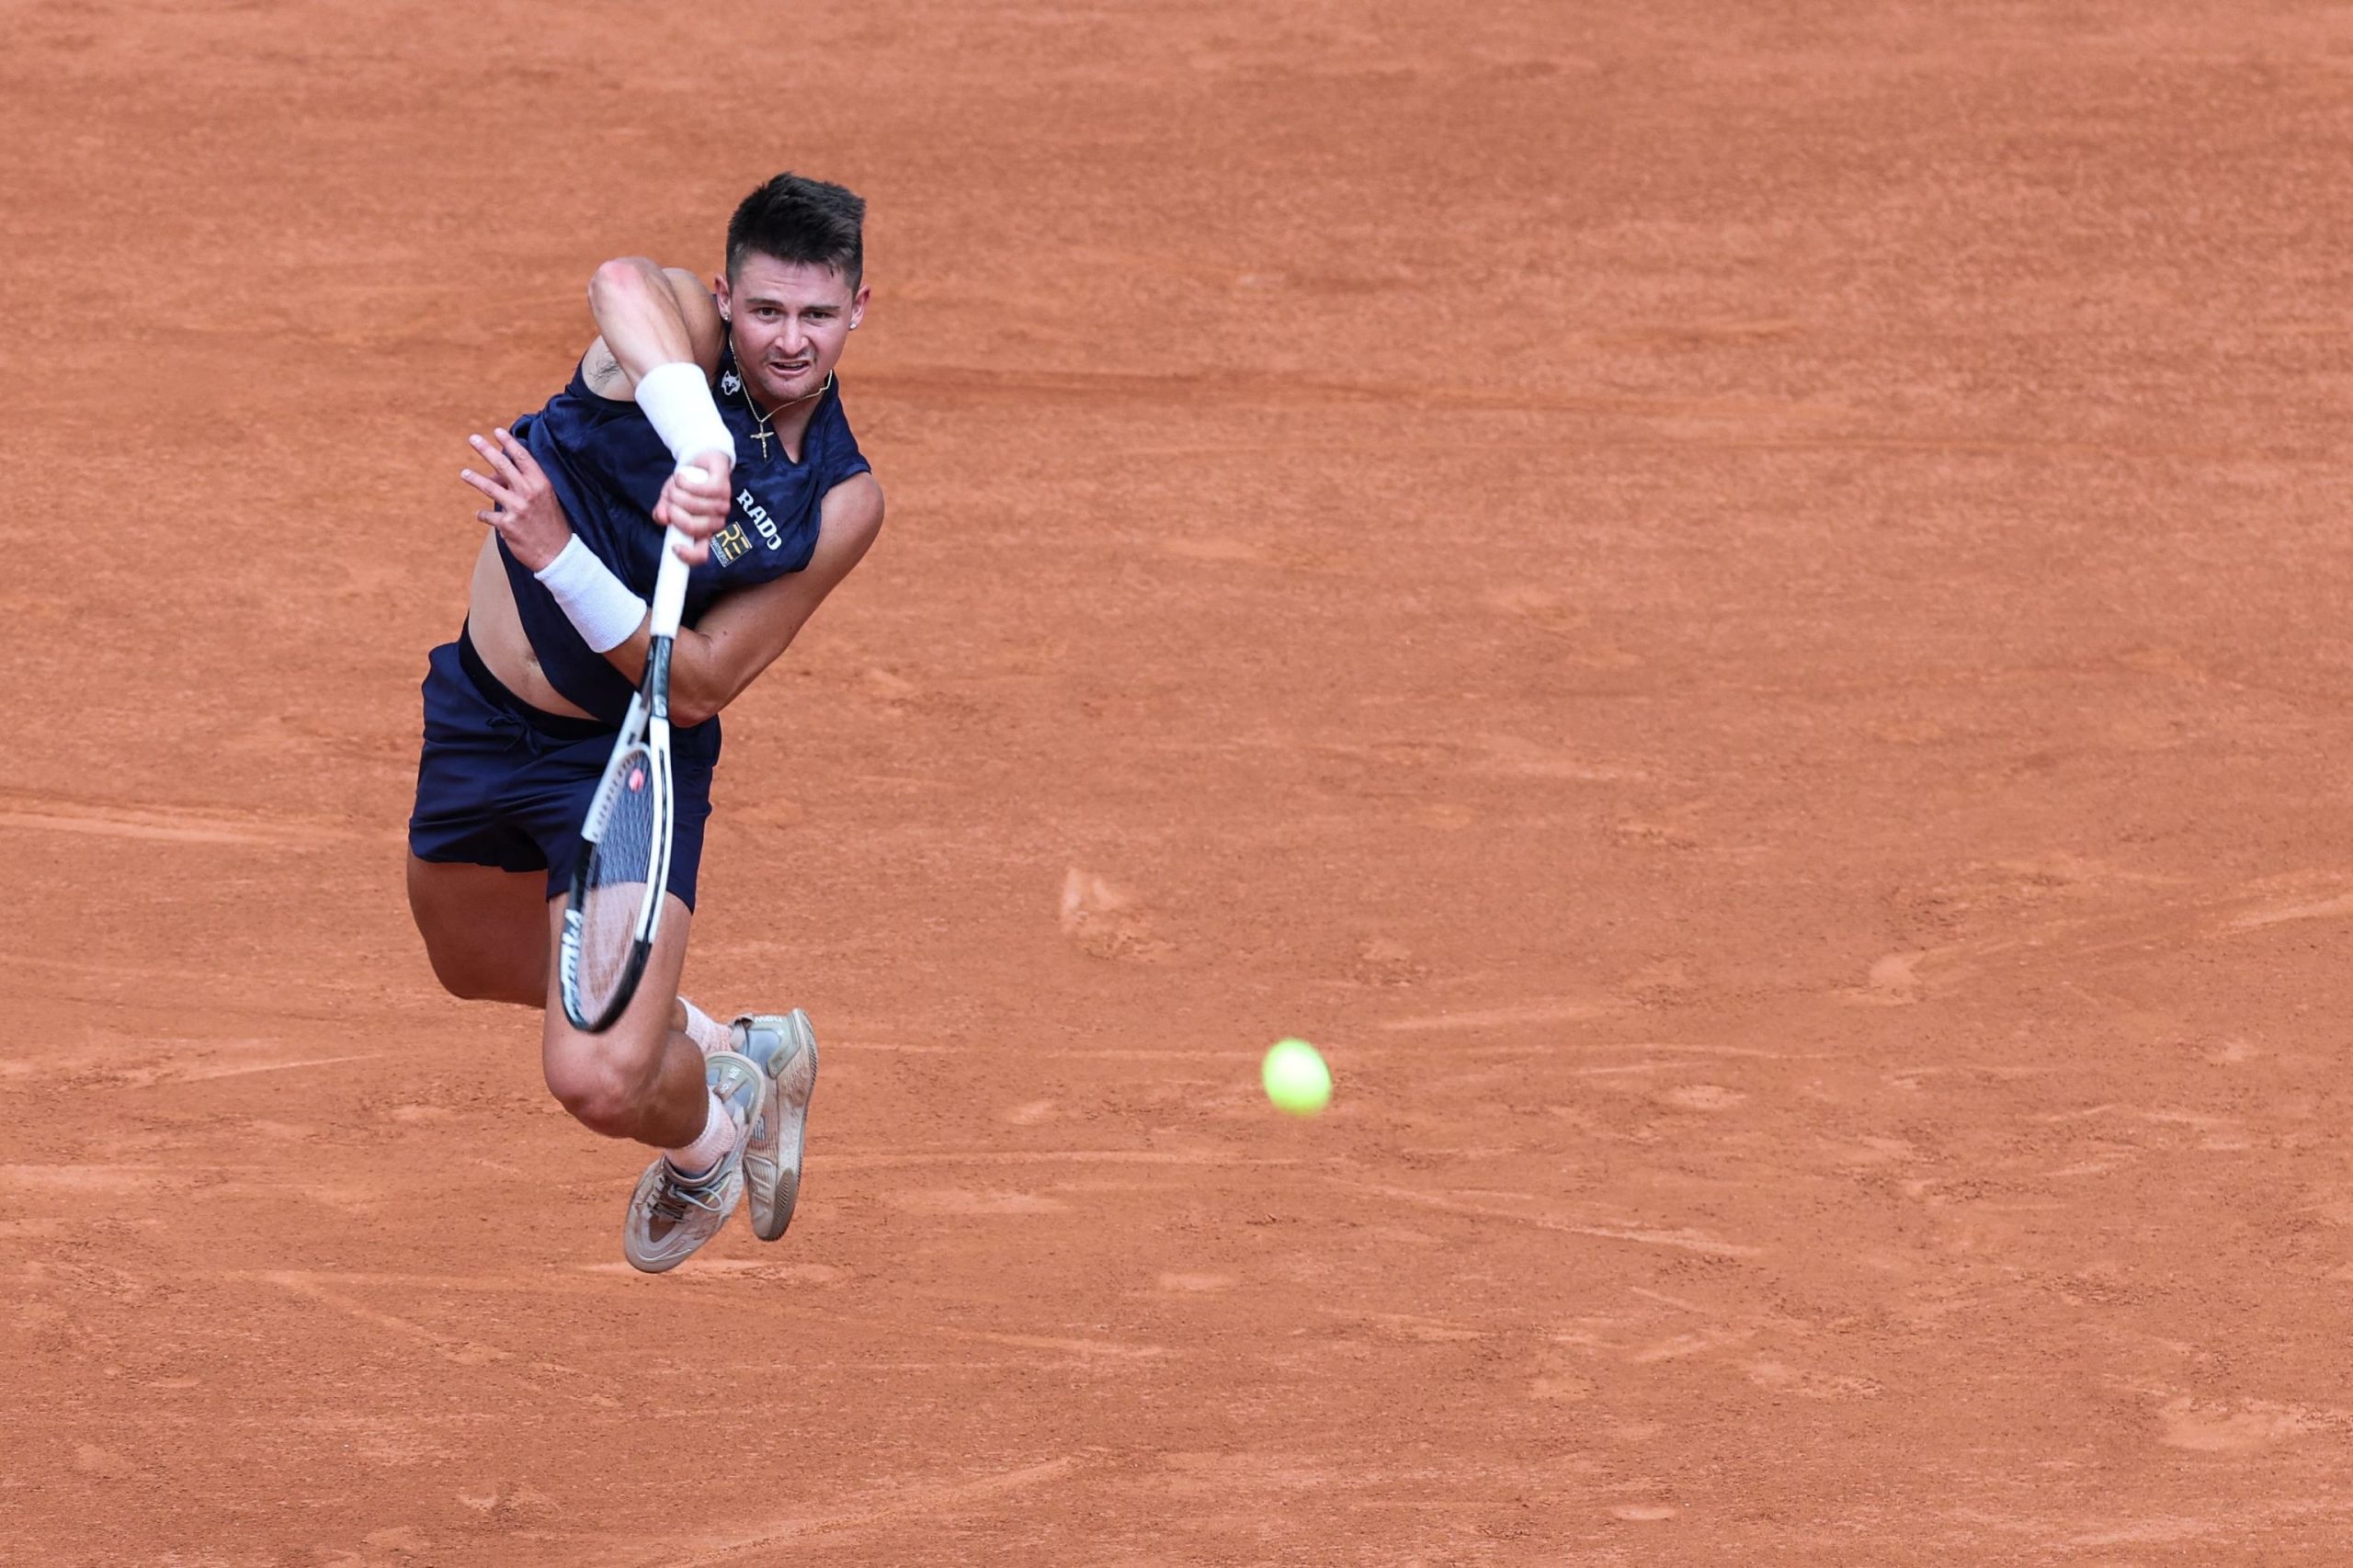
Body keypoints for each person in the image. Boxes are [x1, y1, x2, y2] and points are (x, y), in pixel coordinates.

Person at [404, 173, 884, 1272]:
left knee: (599, 1076)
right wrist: (698, 437)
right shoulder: (672, 337)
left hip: (622, 762)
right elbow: (616, 280)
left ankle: (709, 1143)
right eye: (765, 310)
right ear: (726, 295)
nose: (790, 340)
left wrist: (558, 555)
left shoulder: (842, 498)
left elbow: (705, 676)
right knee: (469, 958)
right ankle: (736, 1047)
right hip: (480, 715)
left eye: (818, 314)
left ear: (860, 309)